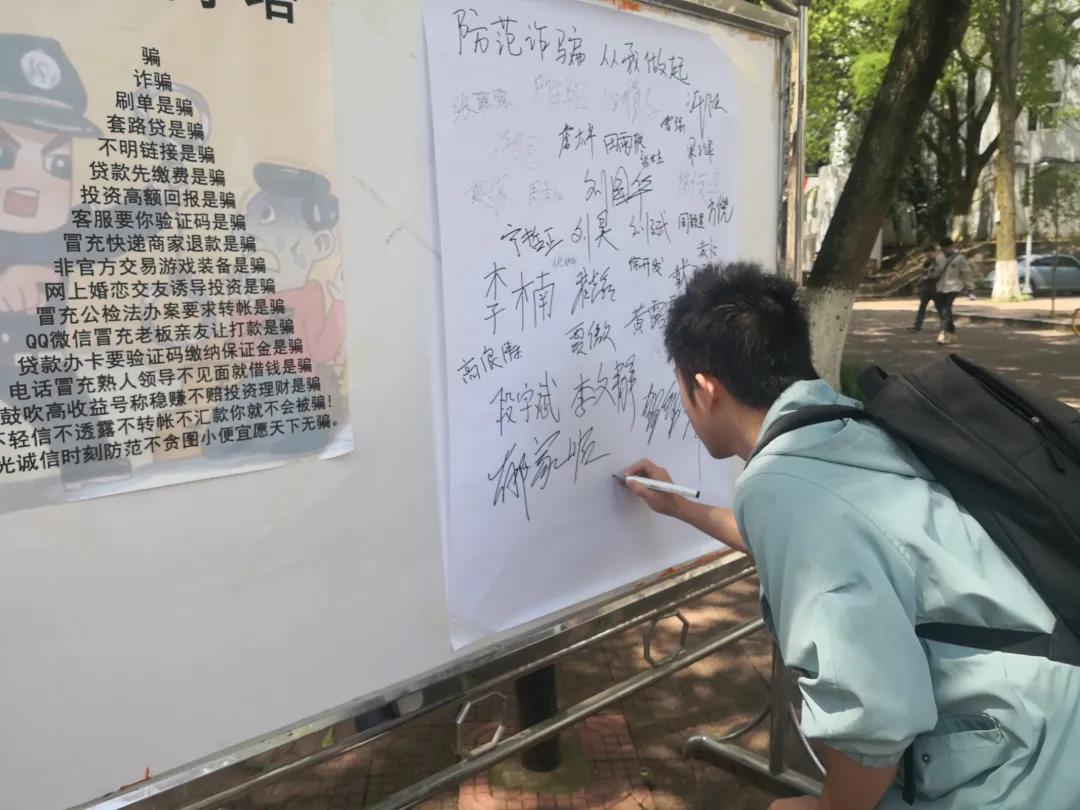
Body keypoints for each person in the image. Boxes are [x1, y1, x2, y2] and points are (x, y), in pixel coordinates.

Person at [623, 262, 1080, 810]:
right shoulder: (843, 426)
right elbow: (821, 543)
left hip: (1015, 762)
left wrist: (829, 807)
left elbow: (870, 715)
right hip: (1049, 706)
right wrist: (680, 508)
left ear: (705, 388)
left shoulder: (780, 486)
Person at [931, 237, 975, 347]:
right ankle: (951, 332)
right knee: (941, 310)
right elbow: (937, 271)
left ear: (951, 246)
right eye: (942, 248)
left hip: (954, 286)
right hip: (940, 286)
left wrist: (969, 288)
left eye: (946, 248)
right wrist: (931, 274)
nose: (945, 250)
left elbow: (966, 273)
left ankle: (943, 333)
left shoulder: (959, 258)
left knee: (946, 308)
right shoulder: (939, 257)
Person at [907, 243, 940, 333]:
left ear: (934, 252)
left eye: (929, 252)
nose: (927, 255)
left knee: (939, 307)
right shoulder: (926, 263)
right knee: (922, 307)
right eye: (926, 253)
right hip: (927, 287)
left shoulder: (940, 262)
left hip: (937, 287)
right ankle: (917, 326)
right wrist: (919, 286)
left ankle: (946, 325)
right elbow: (923, 275)